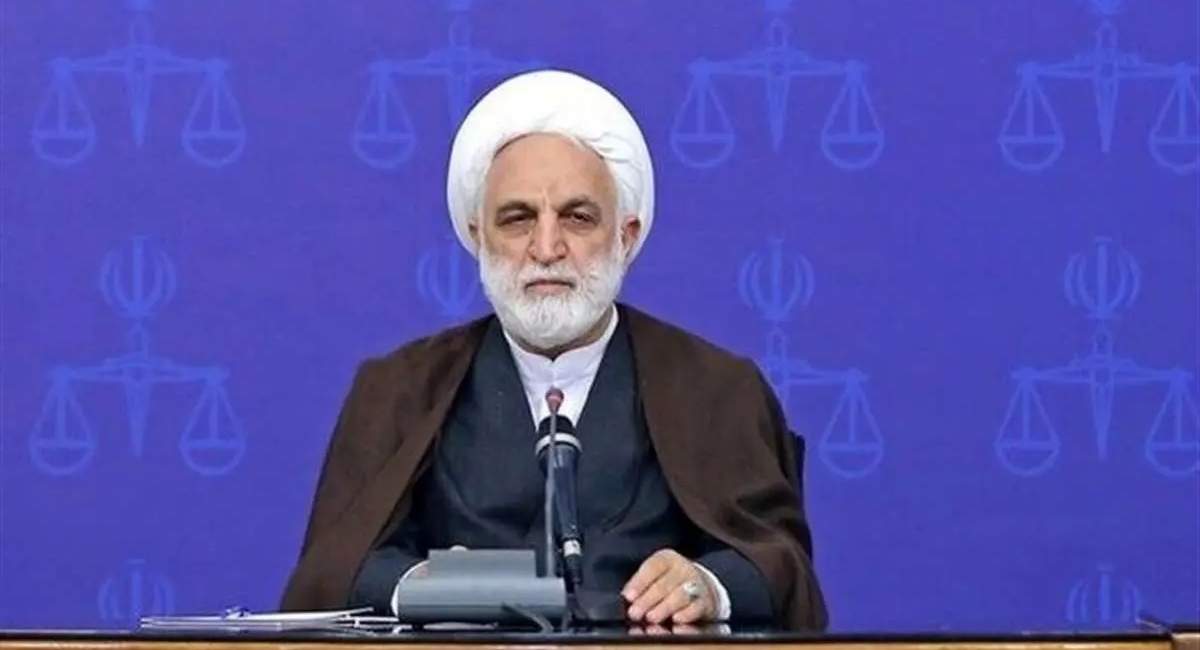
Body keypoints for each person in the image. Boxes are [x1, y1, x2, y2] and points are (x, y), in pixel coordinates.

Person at [281, 69, 826, 630]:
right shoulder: (398, 388)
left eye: (577, 217)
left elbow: (781, 566)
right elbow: (334, 569)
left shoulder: (717, 386)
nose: (546, 248)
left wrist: (707, 585)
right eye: (517, 219)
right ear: (478, 236)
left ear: (626, 236)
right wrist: (425, 584)